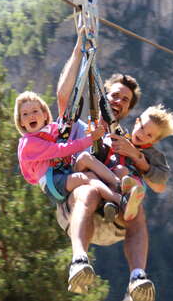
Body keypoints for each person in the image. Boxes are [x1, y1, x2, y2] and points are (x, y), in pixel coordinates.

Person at [56, 32, 159, 301]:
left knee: (137, 210)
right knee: (88, 191)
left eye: (125, 100)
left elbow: (158, 179)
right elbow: (64, 98)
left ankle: (137, 279)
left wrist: (137, 159)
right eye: (114, 95)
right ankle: (79, 259)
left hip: (114, 219)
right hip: (77, 208)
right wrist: (79, 49)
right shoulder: (79, 127)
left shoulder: (125, 142)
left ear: (128, 110)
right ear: (104, 95)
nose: (118, 101)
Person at [14, 91, 145, 225]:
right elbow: (60, 150)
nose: (31, 116)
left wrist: (83, 128)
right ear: (21, 123)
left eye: (35, 111)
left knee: (84, 157)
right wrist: (90, 139)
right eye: (25, 114)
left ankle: (119, 184)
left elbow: (66, 131)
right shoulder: (29, 143)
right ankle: (120, 200)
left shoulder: (52, 130)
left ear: (45, 115)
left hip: (65, 172)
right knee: (87, 177)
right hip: (53, 182)